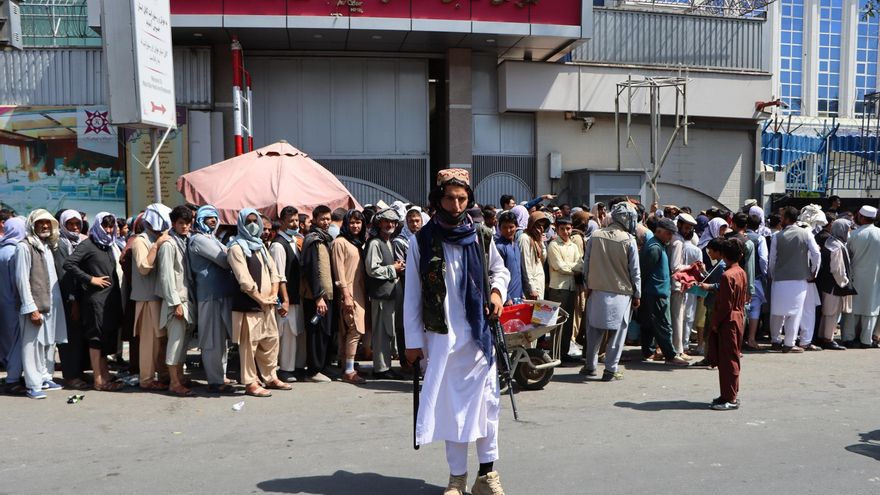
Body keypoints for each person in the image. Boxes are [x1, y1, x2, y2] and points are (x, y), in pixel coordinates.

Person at [405, 168, 510, 495]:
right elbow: (412, 295)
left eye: (462, 198)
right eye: (449, 197)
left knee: (487, 405)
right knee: (452, 409)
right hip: (440, 339)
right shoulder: (420, 240)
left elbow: (499, 270)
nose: (455, 203)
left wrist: (496, 293)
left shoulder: (481, 234)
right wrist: (412, 343)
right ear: (438, 199)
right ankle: (457, 478)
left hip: (479, 337)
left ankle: (487, 475)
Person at [227, 208, 291, 397]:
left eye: (256, 221)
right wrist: (261, 299)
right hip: (249, 306)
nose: (253, 225)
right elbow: (244, 280)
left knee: (271, 341)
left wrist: (272, 294)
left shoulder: (261, 246)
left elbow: (274, 271)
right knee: (249, 346)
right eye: (249, 222)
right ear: (241, 224)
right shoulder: (236, 248)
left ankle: (270, 376)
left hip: (267, 305)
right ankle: (250, 382)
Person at [63, 212, 124, 392]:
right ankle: (98, 380)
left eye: (111, 226)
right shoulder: (88, 244)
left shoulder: (108, 246)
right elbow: (69, 264)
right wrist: (90, 279)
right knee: (96, 339)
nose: (108, 230)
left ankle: (105, 375)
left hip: (109, 300)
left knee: (105, 339)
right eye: (105, 226)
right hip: (95, 301)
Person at [582, 202, 641, 381]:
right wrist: (638, 294)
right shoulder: (629, 240)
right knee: (618, 333)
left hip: (597, 289)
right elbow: (635, 271)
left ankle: (590, 366)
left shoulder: (595, 235)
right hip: (621, 294)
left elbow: (587, 263)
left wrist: (587, 285)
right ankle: (610, 369)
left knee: (593, 331)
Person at [15, 209, 68, 399]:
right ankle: (32, 384)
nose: (45, 226)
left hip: (51, 303)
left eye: (47, 223)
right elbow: (22, 280)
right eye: (40, 223)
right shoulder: (24, 247)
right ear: (32, 225)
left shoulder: (47, 246)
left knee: (48, 343)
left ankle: (45, 377)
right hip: (35, 305)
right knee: (32, 345)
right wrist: (31, 308)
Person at [188, 205, 238, 393]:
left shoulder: (212, 238)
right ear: (200, 219)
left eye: (215, 217)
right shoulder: (199, 240)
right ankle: (215, 381)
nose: (213, 220)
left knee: (221, 340)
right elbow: (225, 259)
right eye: (208, 217)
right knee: (211, 340)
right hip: (209, 296)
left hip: (222, 293)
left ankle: (220, 376)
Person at [131, 203, 173, 390]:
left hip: (158, 298)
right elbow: (143, 267)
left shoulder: (158, 237)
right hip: (147, 299)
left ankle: (162, 375)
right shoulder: (141, 240)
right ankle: (146, 379)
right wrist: (156, 246)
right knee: (149, 342)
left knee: (161, 340)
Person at [768, 206, 821, 353]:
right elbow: (816, 253)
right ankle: (789, 343)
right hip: (799, 280)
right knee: (795, 313)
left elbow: (772, 260)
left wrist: (772, 274)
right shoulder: (806, 233)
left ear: (787, 219)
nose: (781, 219)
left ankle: (775, 339)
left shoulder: (777, 236)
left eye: (782, 216)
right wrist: (813, 272)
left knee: (777, 312)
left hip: (779, 279)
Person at [156, 206, 196, 397]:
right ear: (173, 223)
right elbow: (166, 277)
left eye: (187, 223)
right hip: (177, 302)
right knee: (175, 343)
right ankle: (173, 382)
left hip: (188, 300)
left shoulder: (186, 241)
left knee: (183, 343)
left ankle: (179, 377)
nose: (185, 226)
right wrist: (175, 303)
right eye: (181, 223)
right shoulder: (169, 244)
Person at [639, 217, 689, 366]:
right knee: (663, 325)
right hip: (655, 292)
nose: (670, 237)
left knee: (649, 324)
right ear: (660, 232)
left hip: (655, 291)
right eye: (668, 234)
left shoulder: (658, 245)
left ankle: (648, 352)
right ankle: (670, 355)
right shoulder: (654, 247)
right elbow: (645, 271)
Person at [706, 239, 749, 410]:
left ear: (723, 255)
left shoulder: (727, 275)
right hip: (738, 317)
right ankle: (728, 394)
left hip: (728, 320)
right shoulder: (741, 272)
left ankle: (730, 398)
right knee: (732, 357)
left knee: (727, 360)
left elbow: (725, 305)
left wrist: (715, 323)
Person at [365, 207, 405, 380]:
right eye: (386, 221)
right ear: (379, 223)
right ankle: (380, 368)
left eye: (393, 222)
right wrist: (393, 268)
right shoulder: (375, 243)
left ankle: (385, 365)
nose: (390, 224)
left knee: (389, 330)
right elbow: (372, 269)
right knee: (381, 331)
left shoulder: (388, 241)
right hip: (381, 295)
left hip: (390, 294)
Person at [269, 206, 307, 383]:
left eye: (296, 220)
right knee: (287, 334)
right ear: (282, 221)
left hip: (296, 296)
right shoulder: (278, 245)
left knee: (295, 333)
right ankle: (285, 368)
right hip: (286, 299)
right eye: (291, 221)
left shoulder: (294, 241)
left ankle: (294, 366)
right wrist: (284, 299)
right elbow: (279, 276)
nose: (294, 224)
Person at [331, 209, 368, 384]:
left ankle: (347, 365)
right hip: (349, 293)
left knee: (352, 330)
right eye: (352, 222)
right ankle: (349, 370)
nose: (355, 226)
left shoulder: (356, 243)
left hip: (359, 292)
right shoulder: (340, 242)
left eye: (358, 222)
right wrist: (346, 295)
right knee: (354, 329)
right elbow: (339, 272)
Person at [301, 205, 335, 383]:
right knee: (316, 334)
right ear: (315, 220)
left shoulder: (325, 239)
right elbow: (312, 270)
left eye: (328, 219)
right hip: (316, 296)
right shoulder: (313, 240)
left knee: (326, 333)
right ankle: (313, 371)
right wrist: (318, 297)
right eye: (322, 219)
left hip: (327, 294)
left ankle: (323, 367)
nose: (326, 222)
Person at [55, 209, 89, 390]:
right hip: (69, 297)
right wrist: (73, 299)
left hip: (80, 295)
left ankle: (78, 372)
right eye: (71, 224)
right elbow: (65, 275)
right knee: (70, 337)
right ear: (63, 224)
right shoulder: (62, 244)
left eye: (78, 224)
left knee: (78, 336)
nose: (75, 227)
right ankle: (70, 376)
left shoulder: (78, 242)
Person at [842, 206, 880, 348]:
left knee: (853, 308)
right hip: (875, 277)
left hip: (855, 276)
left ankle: (849, 338)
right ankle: (866, 340)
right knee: (870, 308)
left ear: (862, 217)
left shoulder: (854, 235)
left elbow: (847, 256)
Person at [546, 216, 582, 362]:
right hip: (558, 288)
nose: (566, 232)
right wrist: (574, 269)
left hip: (571, 287)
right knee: (557, 322)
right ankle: (555, 354)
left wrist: (571, 268)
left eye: (568, 229)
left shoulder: (573, 246)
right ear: (557, 228)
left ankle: (564, 352)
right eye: (562, 229)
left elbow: (581, 264)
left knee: (568, 322)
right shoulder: (553, 245)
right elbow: (558, 266)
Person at [815, 218, 855, 350]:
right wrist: (845, 282)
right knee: (832, 312)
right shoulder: (836, 246)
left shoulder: (832, 242)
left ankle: (823, 336)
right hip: (834, 286)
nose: (849, 232)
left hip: (828, 284)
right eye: (848, 229)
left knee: (828, 312)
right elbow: (837, 269)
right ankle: (828, 339)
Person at [667, 213, 698, 357]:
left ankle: (678, 349)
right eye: (686, 227)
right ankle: (678, 350)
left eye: (690, 228)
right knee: (678, 318)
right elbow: (675, 267)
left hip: (676, 285)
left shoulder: (675, 239)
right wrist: (690, 267)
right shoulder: (678, 241)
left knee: (678, 318)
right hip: (676, 285)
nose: (688, 231)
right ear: (679, 225)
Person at [1, 217, 26, 394]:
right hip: (14, 304)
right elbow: (18, 282)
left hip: (3, 303)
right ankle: (12, 379)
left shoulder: (2, 249)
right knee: (18, 341)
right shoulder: (16, 251)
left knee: (7, 341)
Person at [494, 211, 527, 305]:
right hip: (506, 299)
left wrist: (522, 293)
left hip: (518, 297)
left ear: (516, 226)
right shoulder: (499, 247)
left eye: (511, 227)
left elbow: (518, 272)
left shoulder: (516, 245)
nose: (508, 230)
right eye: (504, 227)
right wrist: (507, 296)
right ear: (499, 228)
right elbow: (496, 274)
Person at [519, 211, 549, 300]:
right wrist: (531, 288)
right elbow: (526, 265)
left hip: (539, 283)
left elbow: (543, 259)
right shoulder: (525, 238)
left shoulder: (536, 239)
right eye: (538, 226)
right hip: (532, 287)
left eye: (543, 226)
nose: (540, 229)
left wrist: (540, 242)